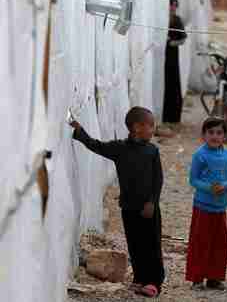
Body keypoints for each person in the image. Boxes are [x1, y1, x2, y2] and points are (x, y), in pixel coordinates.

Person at [70, 106, 165, 298]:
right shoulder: (119, 149)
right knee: (135, 244)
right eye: (150, 126)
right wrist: (78, 131)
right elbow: (95, 145)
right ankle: (139, 278)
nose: (153, 129)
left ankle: (154, 282)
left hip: (149, 208)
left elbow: (158, 180)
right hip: (129, 207)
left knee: (152, 245)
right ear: (137, 127)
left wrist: (152, 202)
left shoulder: (152, 151)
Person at [185, 117, 227, 291]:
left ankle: (215, 278)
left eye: (219, 133)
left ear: (225, 136)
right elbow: (193, 179)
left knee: (220, 243)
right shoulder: (200, 155)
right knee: (201, 242)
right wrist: (209, 188)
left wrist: (225, 186)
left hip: (220, 208)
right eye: (211, 132)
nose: (215, 136)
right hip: (203, 207)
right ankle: (197, 278)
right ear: (204, 135)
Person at [163, 0, 187, 126]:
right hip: (162, 55)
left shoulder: (176, 20)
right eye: (171, 5)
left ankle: (173, 117)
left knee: (172, 83)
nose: (173, 8)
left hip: (172, 55)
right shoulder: (161, 18)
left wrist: (172, 42)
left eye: (174, 6)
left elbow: (183, 38)